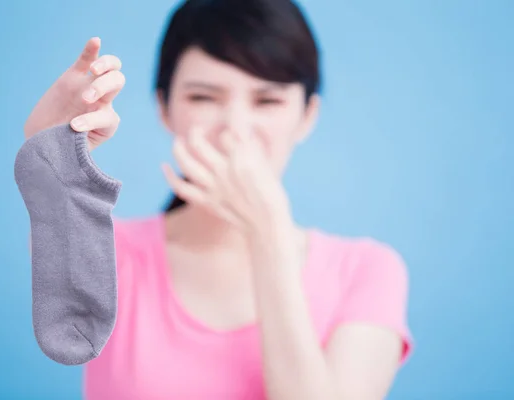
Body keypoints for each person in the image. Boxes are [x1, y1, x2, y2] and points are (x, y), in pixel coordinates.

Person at [23, 0, 413, 398]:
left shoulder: (366, 272)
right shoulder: (109, 255)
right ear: (164, 107)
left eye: (268, 101)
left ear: (308, 116)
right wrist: (49, 155)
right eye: (204, 98)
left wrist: (268, 235)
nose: (235, 130)